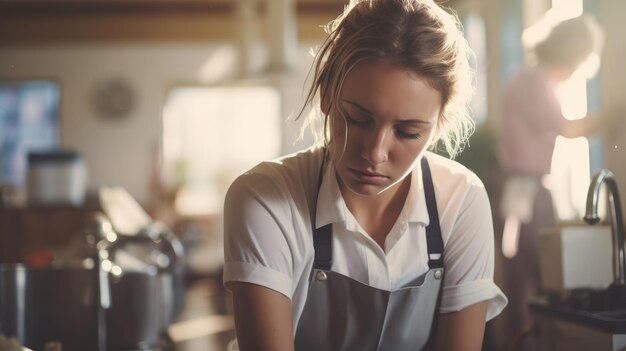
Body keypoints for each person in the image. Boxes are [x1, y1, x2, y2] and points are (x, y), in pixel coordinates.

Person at [223, 0, 507, 350]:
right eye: (357, 119)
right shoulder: (266, 197)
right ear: (327, 95)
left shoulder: (461, 200)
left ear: (439, 127)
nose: (374, 152)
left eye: (408, 132)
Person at [498, 13, 607, 347]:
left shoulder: (531, 78)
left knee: (531, 278)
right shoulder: (534, 80)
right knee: (530, 281)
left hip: (529, 189)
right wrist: (616, 114)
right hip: (523, 190)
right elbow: (566, 127)